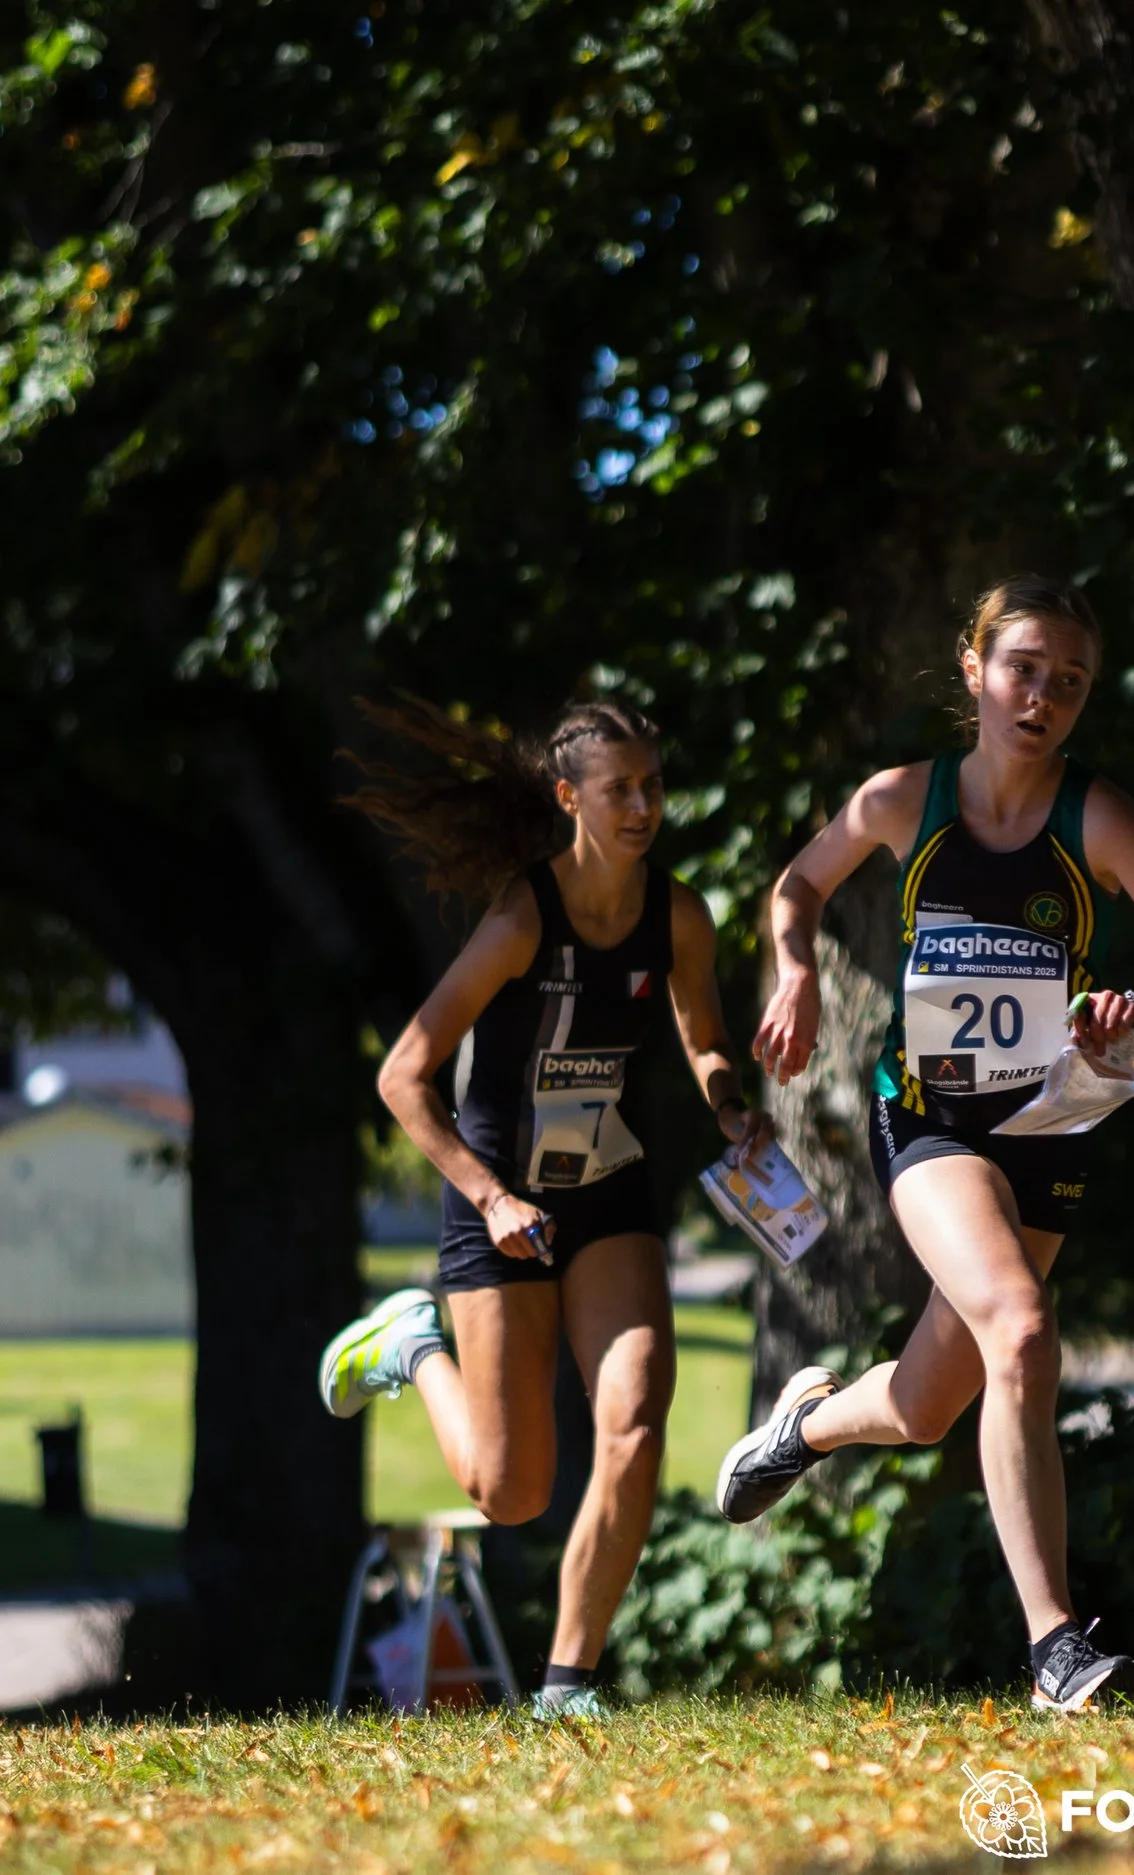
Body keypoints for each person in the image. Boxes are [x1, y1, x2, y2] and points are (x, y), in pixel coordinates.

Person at [719, 575, 1134, 1714]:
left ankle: (805, 1426)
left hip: (1046, 1121)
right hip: (930, 1116)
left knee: (927, 1404)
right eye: (1023, 669)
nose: (1042, 697)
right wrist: (795, 969)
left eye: (1069, 682)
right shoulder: (905, 799)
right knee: (1024, 1326)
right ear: (974, 669)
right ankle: (1056, 1647)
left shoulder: (1100, 819)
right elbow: (797, 884)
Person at [316, 698, 772, 1721]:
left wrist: (730, 1106)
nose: (643, 807)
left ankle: (567, 1684)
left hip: (608, 1190)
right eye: (620, 790)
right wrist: (489, 1197)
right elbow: (402, 1076)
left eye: (653, 785)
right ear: (569, 797)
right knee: (509, 1491)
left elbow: (703, 1033)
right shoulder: (522, 919)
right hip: (501, 1197)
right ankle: (411, 1345)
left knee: (636, 1419)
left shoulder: (679, 915)